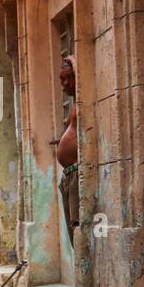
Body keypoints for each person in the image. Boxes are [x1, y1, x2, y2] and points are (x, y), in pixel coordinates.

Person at [56, 54, 79, 240]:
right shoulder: (74, 104)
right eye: (61, 79)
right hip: (69, 175)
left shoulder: (83, 99)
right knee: (73, 230)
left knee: (78, 227)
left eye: (66, 78)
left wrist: (74, 59)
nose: (63, 84)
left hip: (77, 174)